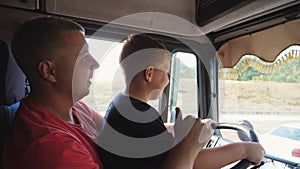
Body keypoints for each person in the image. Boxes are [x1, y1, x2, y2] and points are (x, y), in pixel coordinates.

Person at [2, 16, 209, 169]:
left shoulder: (75, 110)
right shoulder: (53, 150)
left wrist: (175, 131)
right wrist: (188, 147)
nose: (96, 64)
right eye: (83, 57)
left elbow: (120, 133)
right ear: (49, 71)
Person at [99, 34, 266, 169]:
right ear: (149, 74)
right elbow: (190, 160)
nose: (167, 80)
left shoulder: (121, 105)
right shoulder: (140, 115)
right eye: (165, 72)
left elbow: (149, 136)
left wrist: (183, 128)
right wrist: (244, 150)